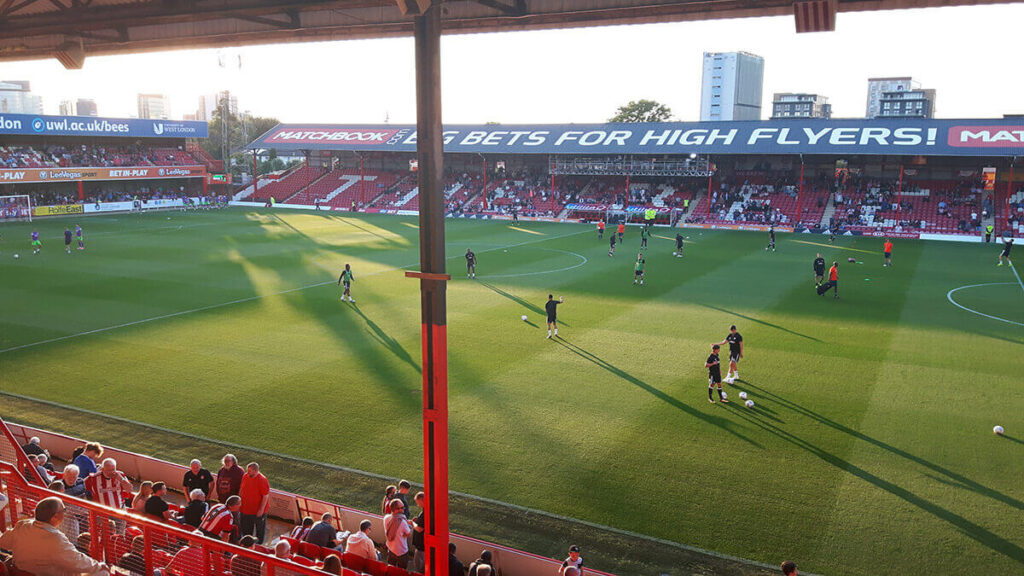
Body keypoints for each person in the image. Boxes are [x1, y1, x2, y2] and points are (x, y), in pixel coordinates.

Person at [0, 496, 111, 575]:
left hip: (20, 571)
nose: (65, 512)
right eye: (64, 510)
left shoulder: (22, 526)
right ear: (55, 517)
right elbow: (77, 562)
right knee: (101, 572)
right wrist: (99, 566)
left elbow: (3, 542)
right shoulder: (55, 539)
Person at [239, 462, 271, 543]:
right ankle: (247, 543)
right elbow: (242, 490)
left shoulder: (262, 480)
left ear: (256, 470)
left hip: (257, 511)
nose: (247, 472)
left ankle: (258, 546)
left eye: (249, 471)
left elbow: (265, 496)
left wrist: (261, 510)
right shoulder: (245, 476)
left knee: (259, 530)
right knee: (246, 528)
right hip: (246, 509)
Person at [383, 499, 411, 568]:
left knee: (391, 570)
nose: (403, 509)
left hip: (390, 549)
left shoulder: (386, 518)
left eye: (403, 507)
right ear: (394, 509)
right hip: (402, 552)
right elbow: (408, 534)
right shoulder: (402, 522)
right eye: (400, 508)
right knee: (402, 572)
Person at [411, 491, 426, 572]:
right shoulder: (426, 511)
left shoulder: (425, 513)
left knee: (419, 568)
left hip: (421, 546)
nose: (417, 505)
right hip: (422, 545)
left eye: (418, 502)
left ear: (422, 500)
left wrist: (412, 523)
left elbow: (420, 529)